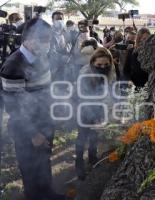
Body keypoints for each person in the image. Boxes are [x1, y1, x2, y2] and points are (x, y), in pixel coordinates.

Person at [0, 18, 66, 200]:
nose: (47, 44)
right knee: (30, 170)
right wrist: (34, 134)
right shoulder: (13, 66)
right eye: (43, 40)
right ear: (28, 40)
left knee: (44, 162)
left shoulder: (41, 57)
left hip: (45, 123)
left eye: (48, 39)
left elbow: (45, 88)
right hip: (26, 130)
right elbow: (15, 108)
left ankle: (48, 194)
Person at [76, 47, 116, 180]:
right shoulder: (85, 73)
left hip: (98, 106)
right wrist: (93, 118)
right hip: (83, 107)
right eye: (99, 65)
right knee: (83, 135)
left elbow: (109, 92)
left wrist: (105, 113)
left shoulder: (111, 72)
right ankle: (79, 164)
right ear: (93, 62)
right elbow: (83, 97)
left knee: (94, 135)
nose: (103, 67)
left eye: (106, 65)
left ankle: (92, 158)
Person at [49, 11, 70, 81]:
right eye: (57, 19)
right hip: (53, 66)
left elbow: (69, 44)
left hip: (64, 65)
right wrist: (61, 57)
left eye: (61, 19)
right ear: (52, 20)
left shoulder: (66, 32)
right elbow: (50, 51)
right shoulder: (49, 33)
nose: (59, 21)